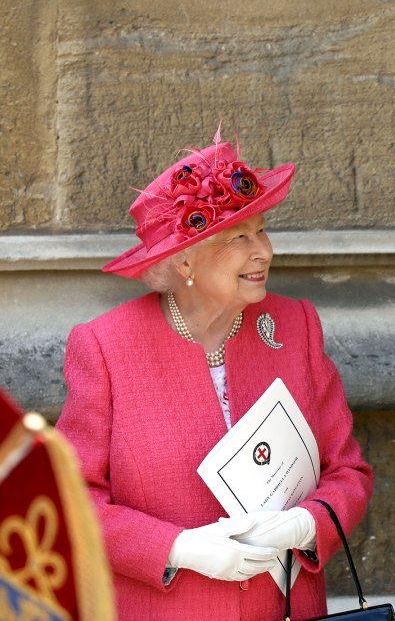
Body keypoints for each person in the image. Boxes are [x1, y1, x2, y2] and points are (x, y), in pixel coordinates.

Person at [56, 126, 373, 620]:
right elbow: (71, 503)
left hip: (286, 610)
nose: (263, 251)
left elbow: (347, 472)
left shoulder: (296, 326)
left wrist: (305, 525)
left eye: (263, 230)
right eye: (238, 238)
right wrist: (179, 547)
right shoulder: (105, 347)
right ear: (184, 259)